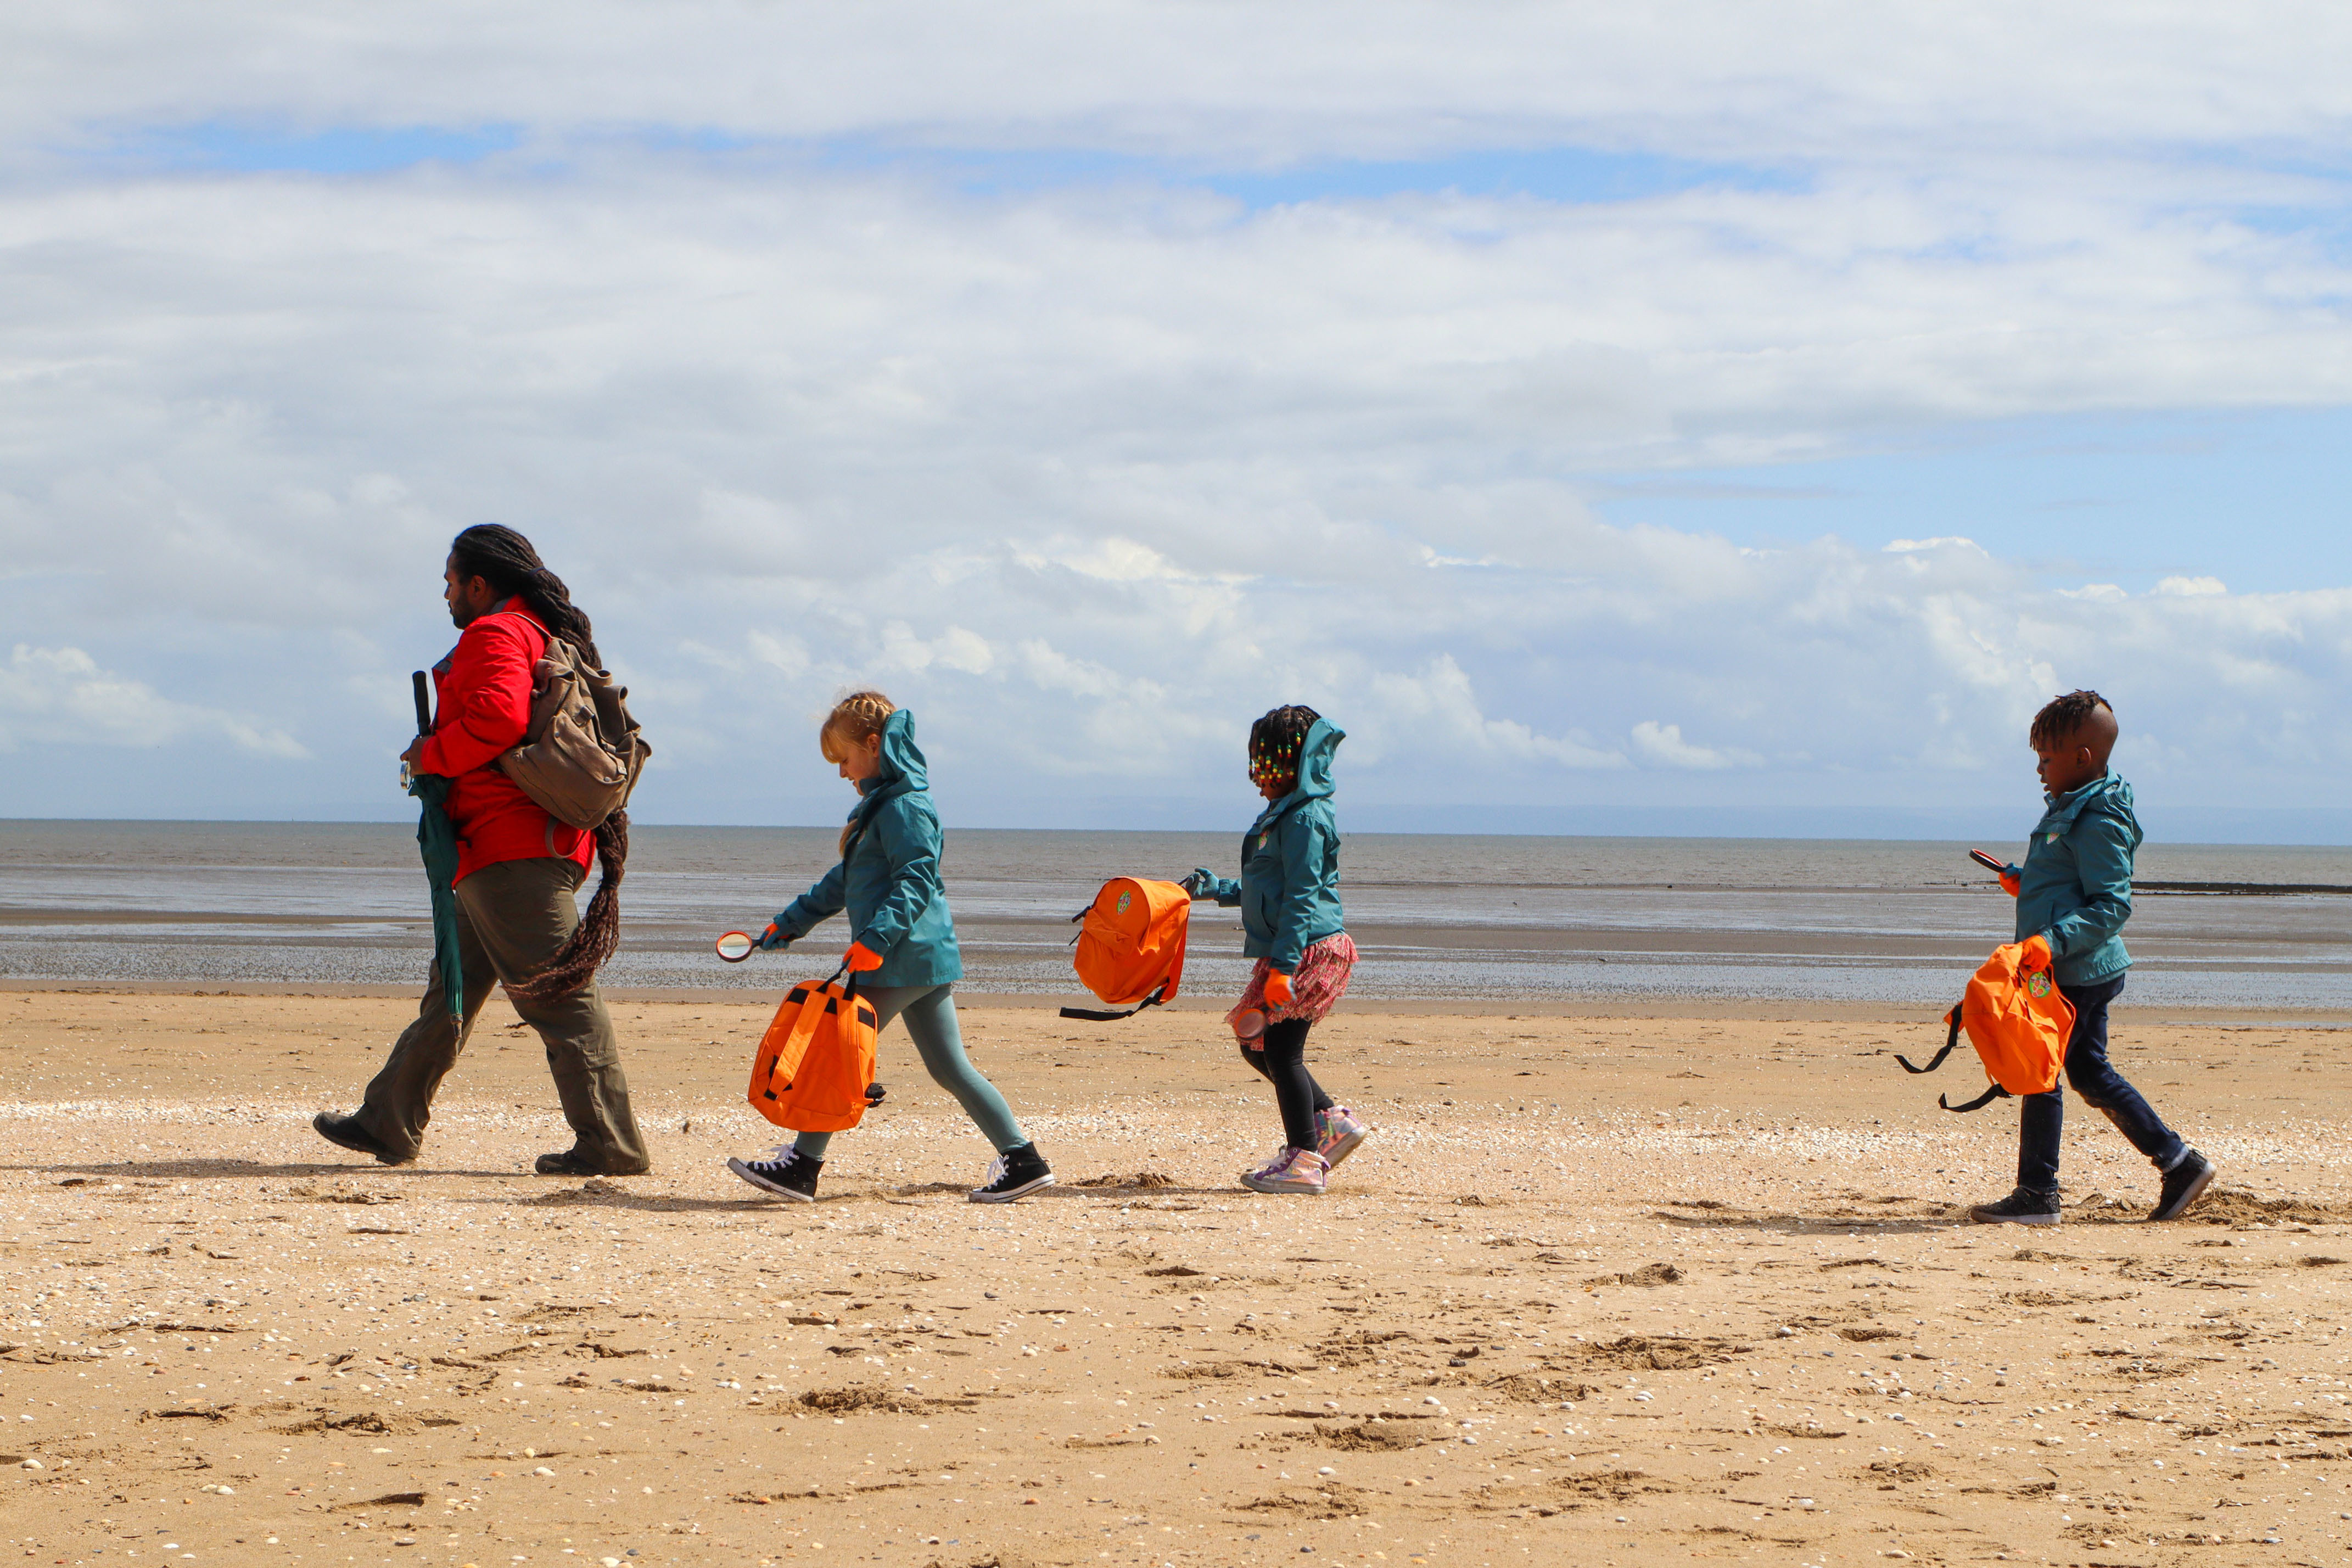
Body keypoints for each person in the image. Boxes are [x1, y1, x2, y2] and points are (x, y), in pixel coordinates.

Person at [313, 525, 650, 1177]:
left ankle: (612, 1145)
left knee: (561, 998)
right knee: (453, 994)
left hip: (509, 850)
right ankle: (389, 1119)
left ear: (479, 583)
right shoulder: (541, 633)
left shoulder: (496, 633)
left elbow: (497, 721)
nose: (444, 595)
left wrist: (428, 754)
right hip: (509, 849)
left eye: (449, 581)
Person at [725, 692, 1053, 1204]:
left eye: (844, 759)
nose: (841, 773)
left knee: (834, 1053)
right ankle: (1023, 1159)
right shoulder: (885, 806)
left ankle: (802, 1167)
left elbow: (917, 879)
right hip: (922, 958)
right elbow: (844, 882)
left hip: (901, 957)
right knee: (949, 1068)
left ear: (873, 746)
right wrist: (786, 926)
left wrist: (875, 940)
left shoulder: (905, 806)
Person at [1968, 689, 2215, 1226]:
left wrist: (2049, 942)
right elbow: (2067, 880)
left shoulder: (2100, 816)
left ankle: (2037, 1194)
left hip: (2075, 971)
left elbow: (2110, 905)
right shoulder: (2073, 806)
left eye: (2047, 757)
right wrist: (2024, 879)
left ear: (2081, 758)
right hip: (2061, 969)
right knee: (2088, 1072)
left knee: (2041, 1071)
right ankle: (2179, 1163)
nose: (2039, 768)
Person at [1185, 704, 1371, 1196]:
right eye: (1253, 765)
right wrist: (1217, 889)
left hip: (1308, 949)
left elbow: (1302, 898)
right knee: (1256, 1043)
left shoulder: (1306, 818)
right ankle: (1330, 1123)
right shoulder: (1280, 814)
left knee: (1282, 1050)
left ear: (1291, 764)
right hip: (1292, 947)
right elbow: (1268, 886)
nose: (1255, 778)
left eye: (1263, 765)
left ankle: (1304, 1160)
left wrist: (1283, 969)